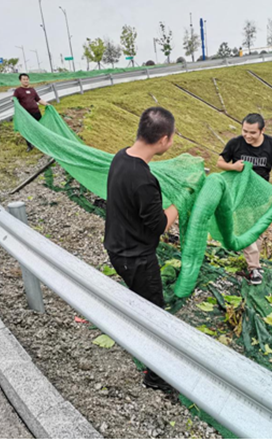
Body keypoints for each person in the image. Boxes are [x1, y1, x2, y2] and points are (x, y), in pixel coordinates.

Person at [104, 107, 179, 392]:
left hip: (116, 246)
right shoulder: (145, 181)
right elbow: (158, 225)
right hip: (136, 259)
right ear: (162, 139)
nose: (171, 142)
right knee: (155, 315)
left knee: (139, 302)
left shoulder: (121, 156)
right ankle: (156, 377)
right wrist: (179, 205)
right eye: (171, 138)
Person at [217, 113, 272, 285]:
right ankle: (254, 268)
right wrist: (233, 167)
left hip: (260, 196)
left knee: (258, 229)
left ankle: (254, 263)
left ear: (262, 130)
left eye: (252, 133)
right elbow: (219, 163)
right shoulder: (235, 143)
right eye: (245, 131)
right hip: (240, 194)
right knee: (246, 226)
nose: (247, 136)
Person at [13, 73, 50, 151]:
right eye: (24, 79)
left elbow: (38, 99)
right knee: (28, 129)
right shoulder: (18, 91)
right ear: (20, 80)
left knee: (40, 127)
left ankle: (42, 143)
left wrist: (47, 104)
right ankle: (30, 145)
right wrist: (13, 99)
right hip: (26, 114)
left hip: (36, 112)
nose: (26, 81)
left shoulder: (32, 89)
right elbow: (14, 99)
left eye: (27, 79)